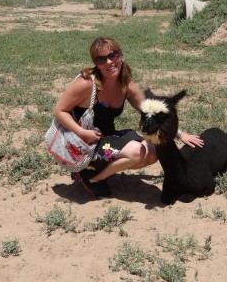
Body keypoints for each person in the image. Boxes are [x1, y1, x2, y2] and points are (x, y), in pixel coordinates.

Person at [53, 36, 204, 199]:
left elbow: (152, 112)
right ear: (96, 63)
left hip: (106, 137)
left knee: (153, 150)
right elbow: (59, 111)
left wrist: (180, 134)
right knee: (136, 152)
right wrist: (81, 132)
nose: (109, 62)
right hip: (84, 144)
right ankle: (94, 178)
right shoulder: (86, 84)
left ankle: (101, 172)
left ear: (120, 55)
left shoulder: (126, 85)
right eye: (101, 59)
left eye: (113, 55)